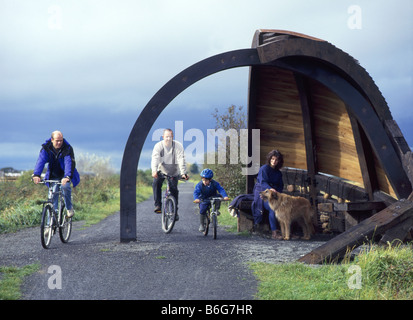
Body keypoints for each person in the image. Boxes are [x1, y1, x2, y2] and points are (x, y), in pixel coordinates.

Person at [32, 131, 80, 218]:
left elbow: (69, 163)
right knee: (52, 199)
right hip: (53, 175)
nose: (59, 143)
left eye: (61, 140)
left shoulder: (67, 148)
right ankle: (49, 225)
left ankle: (69, 208)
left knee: (65, 187)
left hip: (65, 175)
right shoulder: (46, 148)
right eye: (57, 141)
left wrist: (67, 177)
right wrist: (36, 174)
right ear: (52, 140)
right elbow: (41, 161)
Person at [151, 128, 188, 218]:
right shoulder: (158, 146)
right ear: (163, 137)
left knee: (174, 190)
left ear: (172, 137)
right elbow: (155, 158)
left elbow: (181, 159)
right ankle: (158, 205)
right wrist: (154, 170)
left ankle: (175, 211)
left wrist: (183, 173)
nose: (168, 138)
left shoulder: (178, 146)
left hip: (174, 171)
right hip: (161, 170)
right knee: (156, 183)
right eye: (166, 137)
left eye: (170, 136)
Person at [251, 149, 284, 239]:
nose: (274, 161)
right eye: (272, 159)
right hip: (263, 194)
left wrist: (278, 194)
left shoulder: (278, 173)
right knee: (273, 208)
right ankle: (274, 233)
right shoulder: (264, 169)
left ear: (279, 161)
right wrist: (270, 189)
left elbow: (280, 186)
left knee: (284, 207)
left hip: (274, 195)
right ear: (269, 159)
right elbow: (263, 182)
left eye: (276, 160)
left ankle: (285, 231)